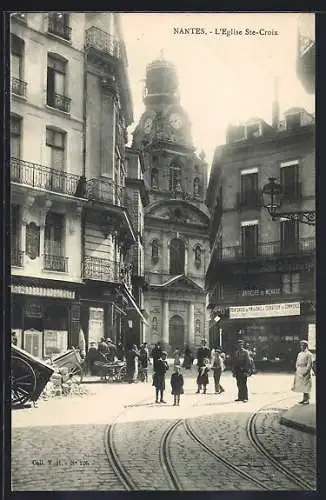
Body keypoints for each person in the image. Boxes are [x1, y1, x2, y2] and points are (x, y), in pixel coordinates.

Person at [292, 340, 313, 404]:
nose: (301, 347)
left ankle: (307, 399)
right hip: (299, 371)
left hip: (305, 370)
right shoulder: (299, 354)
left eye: (303, 345)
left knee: (306, 386)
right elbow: (297, 362)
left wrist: (306, 372)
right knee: (302, 386)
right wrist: (297, 369)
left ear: (306, 346)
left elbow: (309, 364)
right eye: (301, 345)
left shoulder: (309, 354)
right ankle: (304, 399)